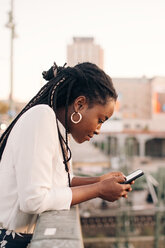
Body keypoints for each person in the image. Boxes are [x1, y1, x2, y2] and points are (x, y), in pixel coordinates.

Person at [0, 62, 132, 248]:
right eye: (100, 120)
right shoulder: (41, 117)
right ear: (79, 104)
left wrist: (99, 181)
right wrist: (98, 190)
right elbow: (33, 200)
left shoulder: (55, 127)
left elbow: (59, 182)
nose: (98, 130)